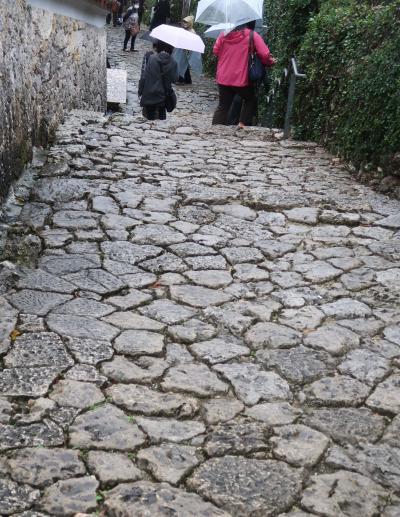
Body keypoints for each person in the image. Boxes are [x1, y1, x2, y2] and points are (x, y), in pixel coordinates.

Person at [212, 21, 276, 127]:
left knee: (223, 106)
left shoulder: (224, 34)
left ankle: (214, 130)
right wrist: (270, 61)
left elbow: (215, 51)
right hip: (241, 77)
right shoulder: (252, 35)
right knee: (250, 99)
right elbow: (264, 54)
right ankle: (242, 124)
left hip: (224, 76)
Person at [138, 40, 178, 120]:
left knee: (149, 120)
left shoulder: (152, 58)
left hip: (149, 94)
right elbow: (174, 79)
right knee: (161, 119)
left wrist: (140, 91)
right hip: (163, 96)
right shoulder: (173, 62)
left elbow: (144, 77)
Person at [173, 15, 202, 85]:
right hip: (181, 50)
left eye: (186, 22)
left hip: (186, 51)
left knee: (182, 65)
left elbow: (192, 42)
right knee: (182, 65)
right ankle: (187, 80)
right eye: (184, 22)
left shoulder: (192, 32)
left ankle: (181, 80)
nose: (185, 24)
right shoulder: (184, 30)